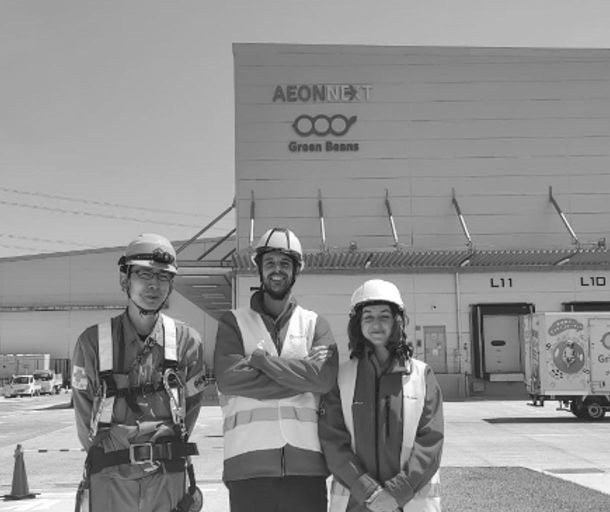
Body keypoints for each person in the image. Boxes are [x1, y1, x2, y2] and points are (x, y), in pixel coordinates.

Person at [71, 233, 207, 512]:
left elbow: (190, 409)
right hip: (110, 477)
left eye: (163, 276)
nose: (154, 285)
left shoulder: (187, 342)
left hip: (168, 479)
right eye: (144, 274)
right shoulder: (93, 343)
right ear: (125, 280)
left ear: (171, 285)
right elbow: (85, 417)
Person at [214, 227, 338, 512]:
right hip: (247, 465)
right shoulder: (233, 323)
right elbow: (229, 380)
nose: (277, 270)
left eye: (285, 263)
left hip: (307, 468)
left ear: (296, 270)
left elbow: (324, 380)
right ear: (259, 268)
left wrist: (261, 362)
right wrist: (304, 376)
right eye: (269, 262)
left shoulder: (315, 324)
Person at [319, 279, 444, 512]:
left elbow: (431, 441)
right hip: (357, 503)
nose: (376, 324)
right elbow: (332, 441)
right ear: (358, 324)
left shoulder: (421, 375)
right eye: (368, 317)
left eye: (384, 316)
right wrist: (368, 490)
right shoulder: (341, 378)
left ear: (397, 321)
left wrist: (396, 493)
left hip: (408, 503)